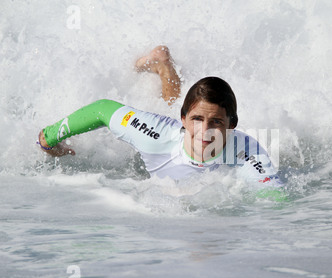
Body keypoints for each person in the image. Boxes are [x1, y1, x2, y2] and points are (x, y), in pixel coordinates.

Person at [37, 46, 285, 193]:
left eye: (217, 122)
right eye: (197, 119)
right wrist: (50, 137)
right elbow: (103, 109)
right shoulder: (155, 136)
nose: (205, 131)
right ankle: (162, 66)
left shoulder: (244, 150)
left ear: (232, 124)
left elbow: (273, 197)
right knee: (164, 109)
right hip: (164, 133)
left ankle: (164, 66)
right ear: (184, 120)